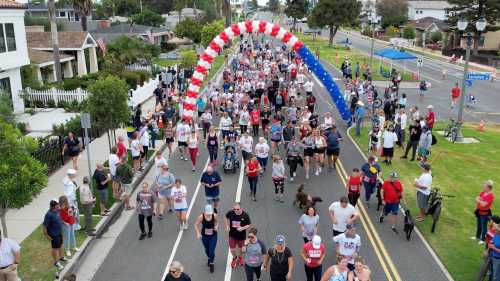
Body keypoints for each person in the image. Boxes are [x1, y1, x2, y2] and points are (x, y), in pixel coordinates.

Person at [225, 202, 252, 268]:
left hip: (241, 236)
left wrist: (242, 228)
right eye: (235, 209)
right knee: (232, 250)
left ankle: (240, 257)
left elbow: (249, 225)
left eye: (237, 209)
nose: (236, 211)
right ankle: (234, 258)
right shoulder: (231, 213)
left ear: (241, 208)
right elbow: (226, 217)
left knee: (241, 249)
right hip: (232, 235)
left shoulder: (245, 215)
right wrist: (227, 225)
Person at [43, 200, 67, 271]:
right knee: (55, 248)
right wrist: (47, 235)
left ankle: (61, 257)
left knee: (61, 245)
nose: (59, 205)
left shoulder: (57, 210)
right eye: (58, 204)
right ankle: (56, 262)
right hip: (54, 234)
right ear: (54, 206)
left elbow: (59, 219)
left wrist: (64, 222)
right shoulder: (48, 214)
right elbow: (44, 226)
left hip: (59, 232)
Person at [194, 205, 218, 273]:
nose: (209, 214)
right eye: (208, 213)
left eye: (210, 213)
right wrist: (198, 233)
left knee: (211, 249)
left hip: (213, 235)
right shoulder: (201, 217)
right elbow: (196, 224)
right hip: (204, 236)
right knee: (207, 249)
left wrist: (216, 226)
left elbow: (217, 222)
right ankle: (209, 258)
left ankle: (211, 263)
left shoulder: (214, 215)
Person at [472, 180, 495, 244]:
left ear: (488, 187)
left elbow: (484, 204)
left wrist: (479, 200)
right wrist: (480, 201)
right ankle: (477, 236)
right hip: (479, 211)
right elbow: (476, 199)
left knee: (483, 226)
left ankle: (483, 239)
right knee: (479, 225)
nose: (483, 187)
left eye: (484, 186)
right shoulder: (482, 192)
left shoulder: (491, 196)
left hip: (485, 213)